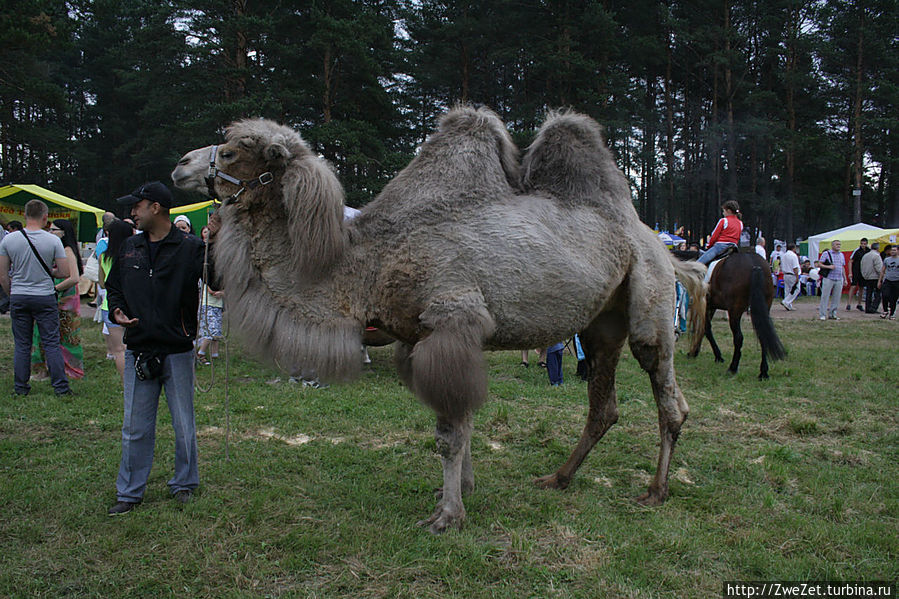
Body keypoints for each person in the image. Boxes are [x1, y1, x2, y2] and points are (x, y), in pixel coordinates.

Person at [106, 182, 215, 515]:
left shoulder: (191, 247)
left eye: (136, 206)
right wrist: (116, 310)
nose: (132, 212)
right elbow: (114, 287)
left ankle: (184, 484)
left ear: (155, 207)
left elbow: (218, 280)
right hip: (139, 348)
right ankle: (129, 492)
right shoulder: (129, 247)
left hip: (178, 349)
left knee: (184, 424)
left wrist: (219, 243)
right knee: (135, 427)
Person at [0, 200, 72, 396]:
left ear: (25, 215)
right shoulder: (53, 241)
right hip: (44, 296)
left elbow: (3, 275)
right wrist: (49, 272)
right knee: (51, 343)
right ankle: (61, 387)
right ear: (45, 217)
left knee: (22, 344)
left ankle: (20, 387)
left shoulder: (9, 240)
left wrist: (11, 294)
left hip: (19, 295)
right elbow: (64, 271)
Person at [31, 219, 85, 380]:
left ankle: (66, 370)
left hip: (65, 298)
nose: (50, 232)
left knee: (64, 335)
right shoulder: (59, 249)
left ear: (63, 232)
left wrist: (55, 289)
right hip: (61, 296)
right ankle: (50, 369)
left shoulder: (67, 250)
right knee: (51, 333)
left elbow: (74, 277)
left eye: (54, 230)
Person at [98, 219, 134, 378]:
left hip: (110, 306)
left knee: (119, 349)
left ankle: (126, 383)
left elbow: (102, 283)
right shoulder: (133, 256)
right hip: (132, 304)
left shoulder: (104, 257)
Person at [196, 225, 223, 364]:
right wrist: (211, 289)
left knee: (217, 330)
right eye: (205, 232)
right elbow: (204, 280)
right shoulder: (202, 255)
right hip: (207, 301)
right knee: (212, 330)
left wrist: (223, 292)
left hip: (218, 302)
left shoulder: (218, 253)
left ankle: (215, 355)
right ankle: (200, 353)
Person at [697, 200, 742, 266]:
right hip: (734, 247)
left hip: (720, 247)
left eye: (724, 211)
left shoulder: (724, 220)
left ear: (728, 211)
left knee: (698, 264)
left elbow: (714, 236)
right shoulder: (740, 223)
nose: (723, 213)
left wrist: (709, 246)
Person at [817, 240, 847, 321]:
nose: (838, 246)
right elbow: (819, 264)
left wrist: (845, 278)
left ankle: (833, 313)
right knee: (825, 296)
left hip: (839, 278)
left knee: (837, 297)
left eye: (839, 244)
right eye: (837, 244)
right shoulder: (826, 253)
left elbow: (842, 267)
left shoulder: (841, 255)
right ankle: (822, 314)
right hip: (829, 278)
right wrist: (829, 267)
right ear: (832, 245)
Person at [846, 238, 870, 312]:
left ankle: (859, 304)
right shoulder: (857, 251)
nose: (863, 245)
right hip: (856, 271)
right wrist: (850, 272)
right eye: (862, 243)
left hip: (864, 272)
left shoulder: (869, 251)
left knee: (861, 288)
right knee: (853, 286)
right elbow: (850, 261)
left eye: (864, 244)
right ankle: (849, 303)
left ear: (867, 244)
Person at [877, 244, 899, 320]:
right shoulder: (887, 260)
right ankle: (885, 310)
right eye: (892, 250)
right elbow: (882, 271)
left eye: (894, 250)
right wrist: (879, 281)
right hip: (888, 280)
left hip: (897, 281)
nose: (892, 252)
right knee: (885, 295)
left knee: (894, 298)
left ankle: (892, 313)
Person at [861, 242, 883, 314]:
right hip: (875, 277)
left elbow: (862, 266)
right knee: (878, 294)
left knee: (869, 293)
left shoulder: (865, 255)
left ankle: (868, 307)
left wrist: (864, 275)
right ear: (878, 248)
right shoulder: (876, 256)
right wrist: (882, 276)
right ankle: (873, 307)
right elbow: (879, 268)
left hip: (867, 277)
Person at [780, 242, 801, 311]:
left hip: (785, 274)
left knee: (787, 290)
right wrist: (797, 276)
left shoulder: (783, 255)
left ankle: (789, 305)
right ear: (793, 248)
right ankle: (786, 301)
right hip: (792, 275)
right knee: (796, 289)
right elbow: (795, 267)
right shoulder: (793, 256)